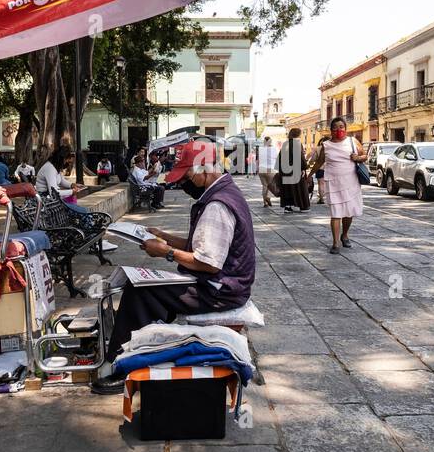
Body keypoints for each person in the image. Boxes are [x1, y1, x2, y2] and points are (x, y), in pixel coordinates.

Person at [93, 140, 255, 393]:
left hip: (219, 289)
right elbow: (200, 246)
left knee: (140, 292)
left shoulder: (216, 205)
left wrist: (166, 252)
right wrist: (165, 236)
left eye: (187, 174)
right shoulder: (224, 192)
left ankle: (120, 364)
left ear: (205, 168)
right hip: (224, 283)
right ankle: (144, 347)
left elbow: (208, 264)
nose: (184, 182)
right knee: (150, 288)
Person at [311, 116, 368, 253]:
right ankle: (335, 243)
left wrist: (358, 158)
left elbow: (364, 155)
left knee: (348, 213)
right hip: (333, 182)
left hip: (351, 182)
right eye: (335, 127)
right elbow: (319, 162)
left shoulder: (352, 141)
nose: (338, 130)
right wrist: (309, 175)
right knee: (335, 213)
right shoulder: (326, 145)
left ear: (345, 129)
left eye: (341, 127)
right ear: (330, 130)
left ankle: (345, 235)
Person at [278, 127, 310, 212]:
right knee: (300, 188)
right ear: (298, 134)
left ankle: (288, 206)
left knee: (288, 188)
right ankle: (303, 206)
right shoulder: (297, 143)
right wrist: (304, 168)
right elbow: (300, 157)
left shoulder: (285, 144)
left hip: (285, 171)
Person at [257, 136, 279, 207]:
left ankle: (265, 203)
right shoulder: (274, 149)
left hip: (261, 169)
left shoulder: (260, 149)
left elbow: (258, 160)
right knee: (271, 185)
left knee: (264, 186)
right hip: (270, 169)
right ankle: (268, 197)